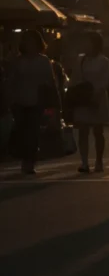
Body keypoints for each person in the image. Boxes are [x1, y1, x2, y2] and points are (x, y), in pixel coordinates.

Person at [9, 30, 59, 175]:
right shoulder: (18, 61)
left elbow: (51, 82)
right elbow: (12, 80)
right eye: (27, 41)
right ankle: (24, 158)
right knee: (22, 132)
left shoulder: (43, 61)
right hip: (20, 101)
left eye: (32, 41)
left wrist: (54, 104)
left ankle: (30, 162)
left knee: (33, 132)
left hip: (37, 101)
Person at [73, 32, 109, 174]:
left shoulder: (104, 61)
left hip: (98, 98)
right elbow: (76, 78)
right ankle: (84, 162)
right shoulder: (81, 60)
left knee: (98, 131)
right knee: (83, 131)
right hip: (84, 98)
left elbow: (104, 81)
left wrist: (96, 95)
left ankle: (99, 160)